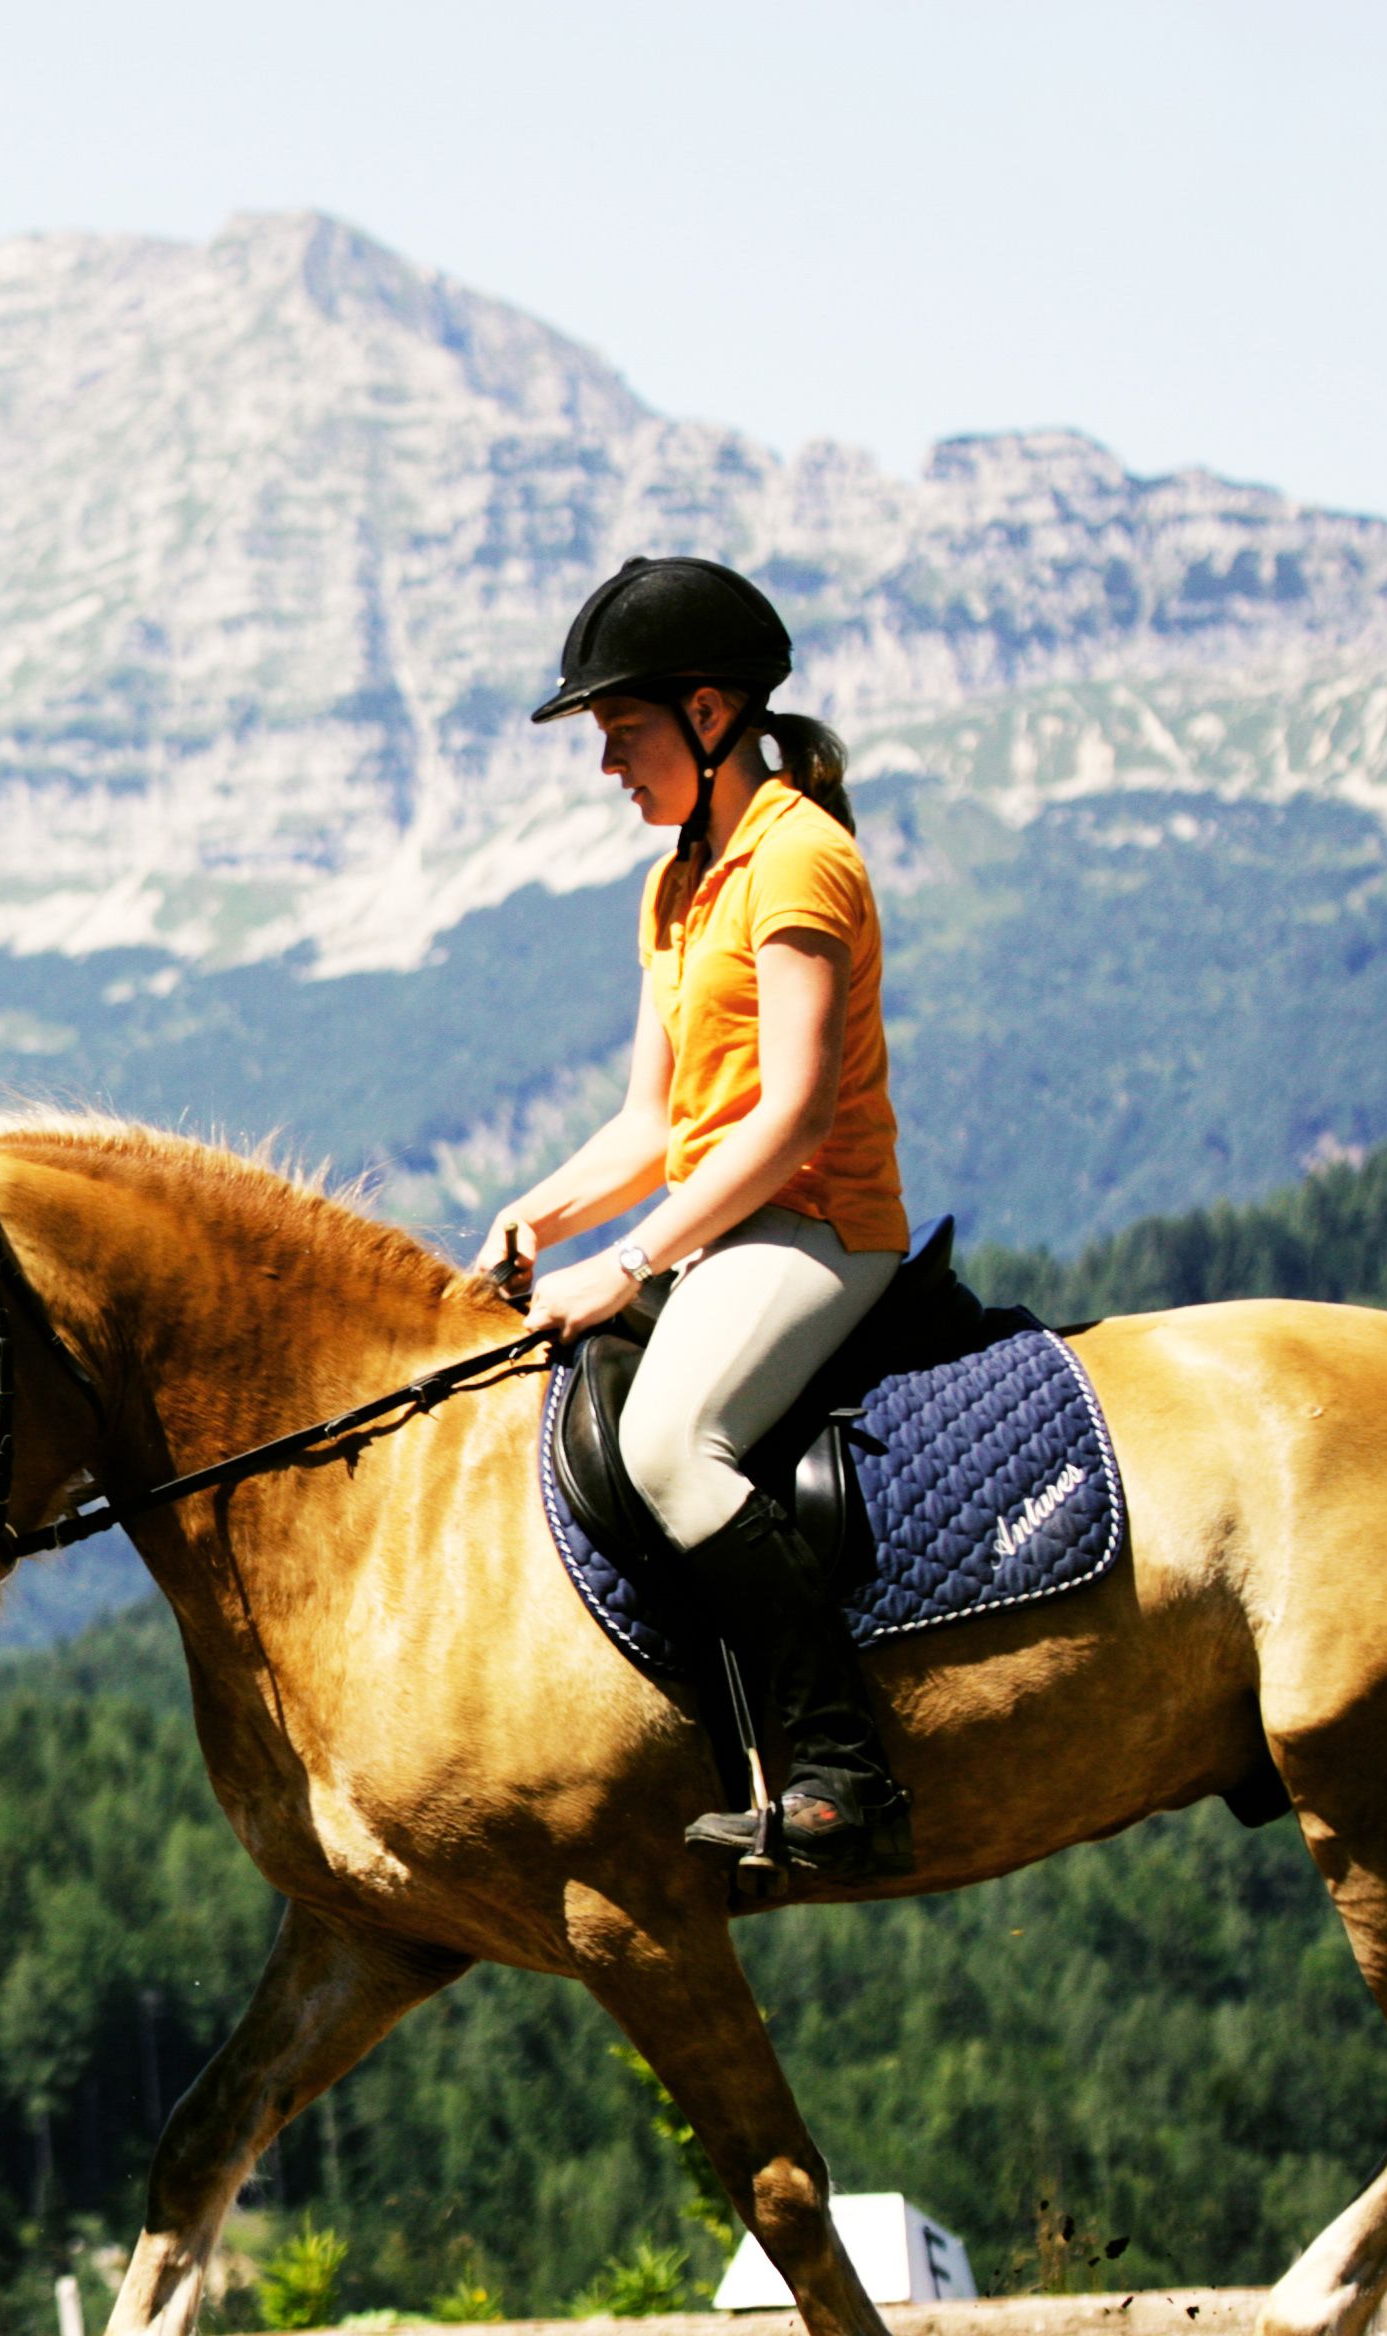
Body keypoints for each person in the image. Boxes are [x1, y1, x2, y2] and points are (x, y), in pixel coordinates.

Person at [472, 555, 914, 1881]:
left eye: (623, 734)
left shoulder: (799, 864)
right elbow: (658, 1126)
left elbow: (790, 1119)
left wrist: (629, 1261)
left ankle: (843, 1767)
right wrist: (536, 1218)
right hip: (731, 1225)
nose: (609, 766)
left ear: (712, 716)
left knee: (671, 1441)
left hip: (822, 1223)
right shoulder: (677, 888)